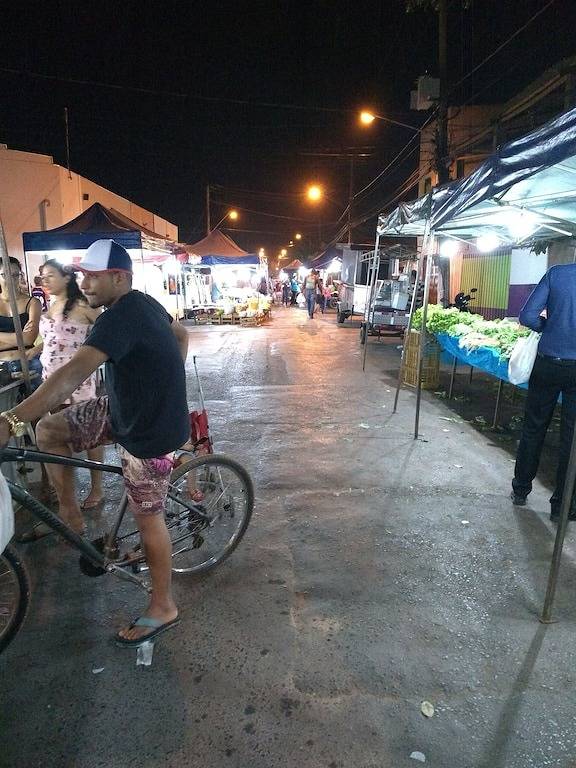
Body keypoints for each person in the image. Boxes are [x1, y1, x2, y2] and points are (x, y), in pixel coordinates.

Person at [0, 240, 190, 646]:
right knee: (49, 431)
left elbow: (71, 375)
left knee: (148, 516)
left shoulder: (119, 317)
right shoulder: (140, 303)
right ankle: (71, 515)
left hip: (150, 433)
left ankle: (163, 606)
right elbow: (181, 334)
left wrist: (13, 418)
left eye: (92, 275)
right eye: (81, 274)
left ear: (119, 278)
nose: (83, 282)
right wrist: (167, 381)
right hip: (121, 410)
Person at [20, 260, 104, 541]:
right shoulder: (48, 308)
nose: (45, 280)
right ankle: (67, 508)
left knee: (91, 438)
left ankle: (96, 487)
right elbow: (51, 337)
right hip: (51, 381)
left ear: (67, 278)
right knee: (52, 440)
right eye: (42, 276)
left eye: (50, 276)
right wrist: (35, 351)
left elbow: (108, 332)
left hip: (78, 381)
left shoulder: (85, 308)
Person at [511, 263, 576, 522]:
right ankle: (562, 506)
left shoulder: (557, 274)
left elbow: (527, 317)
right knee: (572, 438)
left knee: (534, 427)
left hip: (548, 362)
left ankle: (520, 490)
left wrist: (546, 326)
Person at [0, 257, 42, 387]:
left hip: (28, 361)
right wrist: (20, 337)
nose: (10, 279)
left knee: (36, 405)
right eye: (4, 274)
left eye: (15, 275)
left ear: (20, 276)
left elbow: (29, 339)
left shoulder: (32, 303)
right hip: (1, 365)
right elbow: (23, 339)